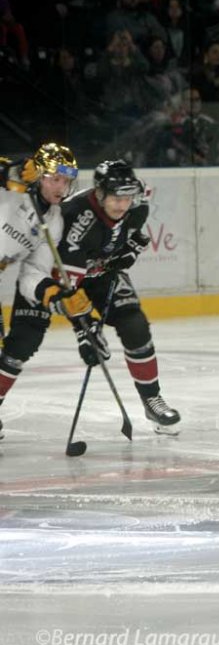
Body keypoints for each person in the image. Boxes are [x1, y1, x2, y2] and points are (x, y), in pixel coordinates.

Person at [52, 160, 180, 433]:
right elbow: (63, 284)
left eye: (127, 197)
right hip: (71, 279)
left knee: (135, 325)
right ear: (99, 193)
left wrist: (128, 249)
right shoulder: (75, 217)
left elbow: (128, 233)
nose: (122, 205)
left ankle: (151, 400)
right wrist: (83, 327)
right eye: (115, 198)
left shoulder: (137, 206)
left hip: (104, 274)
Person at [0, 143, 88, 440]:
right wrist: (10, 168)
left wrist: (51, 293)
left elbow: (32, 274)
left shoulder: (54, 220)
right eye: (55, 179)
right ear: (38, 175)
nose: (61, 188)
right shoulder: (13, 187)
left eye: (66, 181)